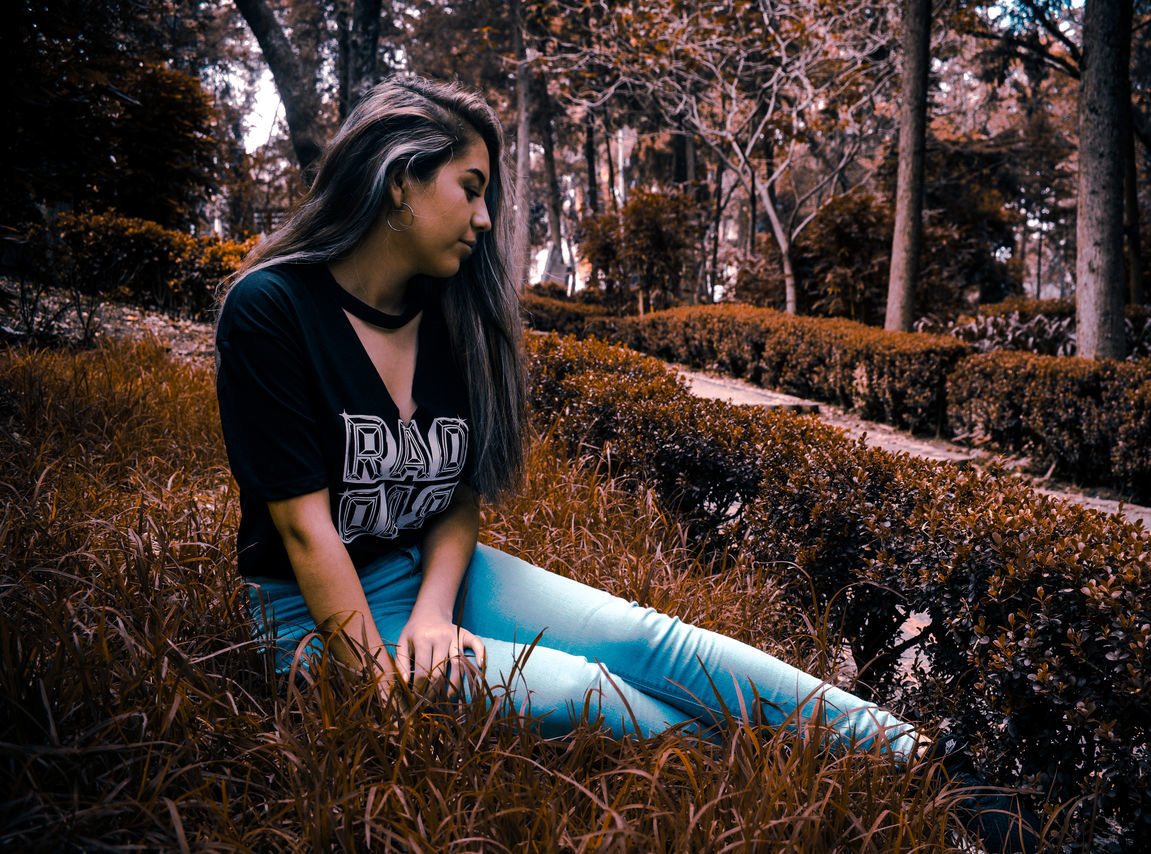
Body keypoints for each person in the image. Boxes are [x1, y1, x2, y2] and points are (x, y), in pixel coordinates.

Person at [215, 74, 1038, 852]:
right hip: (312, 619)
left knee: (649, 640)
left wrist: (434, 614)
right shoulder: (275, 308)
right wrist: (375, 683)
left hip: (428, 572)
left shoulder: (451, 318)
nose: (483, 218)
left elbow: (456, 496)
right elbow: (300, 521)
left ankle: (932, 767)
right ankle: (785, 786)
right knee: (580, 693)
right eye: (470, 187)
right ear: (400, 180)